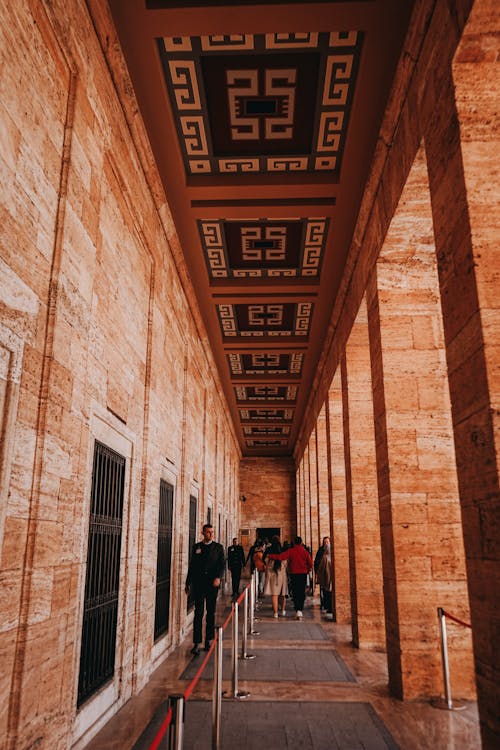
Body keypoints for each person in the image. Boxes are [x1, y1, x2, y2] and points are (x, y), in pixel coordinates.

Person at [185, 524, 225, 656]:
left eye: (212, 532)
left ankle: (208, 639)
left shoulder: (218, 548)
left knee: (210, 613)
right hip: (199, 584)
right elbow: (192, 566)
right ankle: (196, 643)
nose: (211, 534)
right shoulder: (196, 547)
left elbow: (222, 565)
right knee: (198, 613)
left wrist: (218, 577)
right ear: (203, 533)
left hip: (212, 585)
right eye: (208, 532)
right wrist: (188, 583)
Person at [267, 536, 312, 619]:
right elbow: (310, 563)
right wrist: (307, 570)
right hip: (303, 574)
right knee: (301, 591)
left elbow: (280, 557)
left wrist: (271, 556)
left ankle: (297, 609)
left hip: (294, 574)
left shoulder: (291, 551)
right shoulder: (305, 552)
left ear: (294, 542)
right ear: (301, 542)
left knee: (295, 591)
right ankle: (300, 610)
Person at [263, 536, 288, 618]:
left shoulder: (269, 550)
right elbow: (286, 562)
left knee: (274, 594)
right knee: (282, 593)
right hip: (282, 572)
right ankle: (283, 610)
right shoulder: (283, 549)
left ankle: (275, 613)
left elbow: (264, 559)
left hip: (272, 572)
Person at [316, 538, 333, 619]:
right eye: (325, 542)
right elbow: (318, 564)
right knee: (326, 591)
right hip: (325, 576)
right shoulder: (322, 552)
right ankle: (327, 605)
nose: (326, 544)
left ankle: (330, 606)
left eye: (327, 542)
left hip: (328, 576)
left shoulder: (329, 556)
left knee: (329, 591)